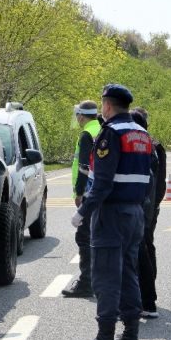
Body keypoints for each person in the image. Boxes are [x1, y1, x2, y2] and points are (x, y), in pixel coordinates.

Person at [71, 84, 152, 340]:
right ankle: (130, 336)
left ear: (107, 106)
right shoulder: (141, 133)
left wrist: (83, 212)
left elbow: (102, 183)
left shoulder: (111, 133)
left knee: (105, 276)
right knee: (129, 273)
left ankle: (104, 339)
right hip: (135, 213)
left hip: (111, 215)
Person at [62, 100, 101, 298]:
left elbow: (84, 167)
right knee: (97, 237)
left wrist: (78, 193)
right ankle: (98, 279)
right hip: (100, 192)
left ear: (81, 115)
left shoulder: (87, 134)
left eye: (77, 115)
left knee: (84, 237)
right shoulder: (101, 129)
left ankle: (86, 283)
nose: (76, 118)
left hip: (88, 193)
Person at [130, 108, 166, 318]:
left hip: (143, 208)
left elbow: (157, 181)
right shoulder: (153, 145)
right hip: (149, 206)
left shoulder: (146, 147)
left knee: (140, 250)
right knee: (145, 247)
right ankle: (147, 295)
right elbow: (159, 183)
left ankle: (145, 297)